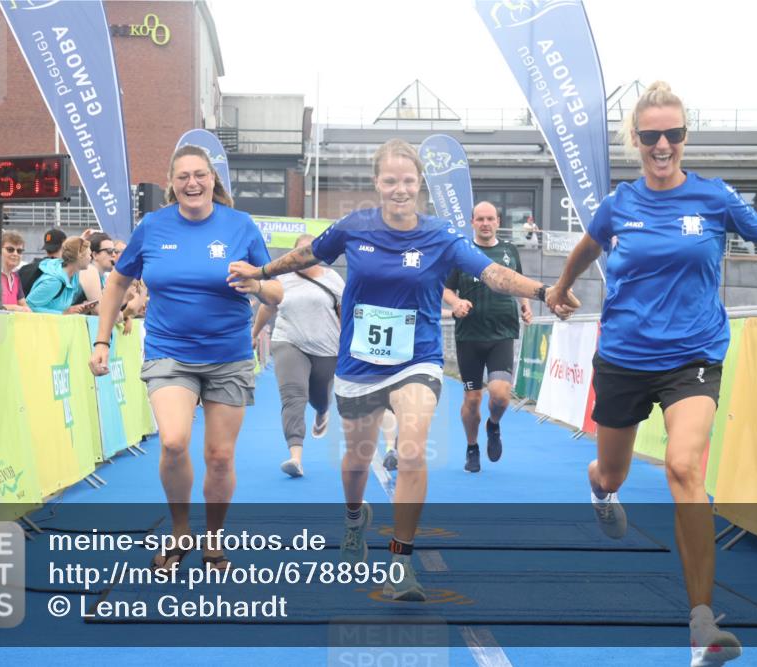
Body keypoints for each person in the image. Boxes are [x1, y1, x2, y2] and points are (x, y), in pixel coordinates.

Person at [545, 81, 757, 667]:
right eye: (650, 135)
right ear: (634, 140)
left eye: (674, 134)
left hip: (693, 357)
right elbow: (587, 247)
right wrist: (561, 289)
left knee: (686, 468)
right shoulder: (620, 204)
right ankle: (599, 486)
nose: (663, 145)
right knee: (612, 469)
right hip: (625, 358)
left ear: (685, 137)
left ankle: (702, 626)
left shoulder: (715, 198)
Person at [229, 139, 576, 601]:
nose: (399, 189)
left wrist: (543, 290)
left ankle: (400, 563)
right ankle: (355, 517)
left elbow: (492, 272)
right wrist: (262, 270)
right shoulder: (354, 227)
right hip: (358, 364)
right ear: (377, 183)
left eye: (407, 181)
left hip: (418, 359)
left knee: (412, 449)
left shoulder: (440, 236)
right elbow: (306, 256)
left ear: (419, 185)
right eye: (390, 181)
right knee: (355, 463)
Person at [89, 144, 283, 572]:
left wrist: (257, 287)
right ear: (171, 185)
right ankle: (180, 530)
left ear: (213, 180)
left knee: (219, 457)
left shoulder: (241, 226)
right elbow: (118, 282)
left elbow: (275, 291)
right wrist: (101, 340)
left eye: (200, 175)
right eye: (183, 177)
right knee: (174, 442)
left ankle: (214, 538)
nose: (192, 183)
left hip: (228, 355)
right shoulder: (153, 226)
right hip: (169, 351)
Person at [443, 201, 532, 473]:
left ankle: (493, 425)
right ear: (472, 222)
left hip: (502, 332)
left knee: (500, 396)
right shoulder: (461, 252)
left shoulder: (508, 250)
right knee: (472, 399)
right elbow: (444, 289)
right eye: (479, 219)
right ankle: (472, 448)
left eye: (490, 218)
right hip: (470, 335)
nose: (485, 223)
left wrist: (525, 304)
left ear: (497, 221)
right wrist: (455, 303)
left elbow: (517, 281)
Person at [251, 233, 345, 478]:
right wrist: (254, 332)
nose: (304, 257)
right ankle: (295, 456)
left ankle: (322, 410)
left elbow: (343, 312)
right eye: (300, 252)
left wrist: (349, 344)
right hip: (288, 341)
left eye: (310, 252)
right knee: (294, 396)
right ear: (292, 256)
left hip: (326, 348)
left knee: (319, 396)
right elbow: (268, 306)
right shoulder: (282, 279)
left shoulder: (333, 278)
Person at [26, 237, 94, 314]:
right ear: (80, 255)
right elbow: (29, 307)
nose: (90, 258)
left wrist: (78, 310)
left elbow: (58, 306)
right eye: (89, 254)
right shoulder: (53, 281)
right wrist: (63, 313)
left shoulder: (73, 277)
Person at [75, 232, 116, 315]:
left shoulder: (102, 277)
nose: (114, 255)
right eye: (109, 251)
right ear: (95, 255)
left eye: (115, 251)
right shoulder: (89, 270)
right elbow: (100, 311)